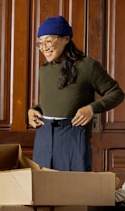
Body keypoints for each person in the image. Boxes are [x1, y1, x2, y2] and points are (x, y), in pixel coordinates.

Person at [28, 15, 124, 171]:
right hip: (44, 138)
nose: (44, 47)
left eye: (48, 40)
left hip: (73, 137)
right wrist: (34, 110)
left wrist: (92, 108)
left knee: (73, 192)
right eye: (40, 43)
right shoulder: (44, 70)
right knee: (42, 191)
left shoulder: (87, 66)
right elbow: (53, 101)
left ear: (66, 39)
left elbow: (116, 93)